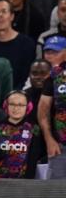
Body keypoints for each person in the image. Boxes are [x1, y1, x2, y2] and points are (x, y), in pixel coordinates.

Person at [0, 91, 41, 179]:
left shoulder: (33, 129)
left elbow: (34, 158)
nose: (16, 108)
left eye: (21, 105)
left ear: (28, 107)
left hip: (25, 182)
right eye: (12, 104)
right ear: (6, 106)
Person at [0, 0, 37, 90]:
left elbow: (29, 76)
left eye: (4, 11)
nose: (0, 15)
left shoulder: (27, 44)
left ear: (12, 16)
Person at [38, 35, 66, 179]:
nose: (49, 56)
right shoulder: (54, 77)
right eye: (47, 52)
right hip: (61, 145)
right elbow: (43, 112)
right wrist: (49, 139)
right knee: (58, 192)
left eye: (55, 52)